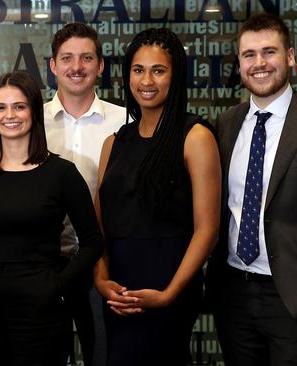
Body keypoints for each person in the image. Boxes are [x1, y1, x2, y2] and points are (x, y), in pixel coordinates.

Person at [207, 13, 297, 366]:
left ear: (291, 56)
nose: (259, 63)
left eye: (270, 52)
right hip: (234, 293)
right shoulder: (226, 123)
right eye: (249, 55)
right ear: (239, 63)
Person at [0, 71, 103, 366]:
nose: (10, 115)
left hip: (40, 314)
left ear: (34, 112)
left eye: (19, 106)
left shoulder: (61, 173)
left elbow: (92, 242)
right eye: (0, 107)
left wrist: (56, 285)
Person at [94, 28, 221, 366]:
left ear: (175, 76)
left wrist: (167, 296)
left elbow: (207, 229)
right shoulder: (114, 142)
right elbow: (99, 225)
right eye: (138, 70)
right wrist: (100, 279)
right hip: (118, 292)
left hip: (170, 289)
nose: (146, 80)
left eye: (158, 70)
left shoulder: (195, 137)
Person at [44, 22, 126, 366]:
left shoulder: (125, 121)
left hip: (105, 264)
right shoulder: (30, 121)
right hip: (47, 263)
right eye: (67, 58)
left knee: (105, 356)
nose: (76, 67)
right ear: (53, 65)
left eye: (86, 58)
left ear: (100, 65)